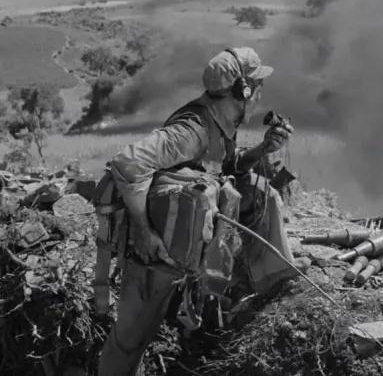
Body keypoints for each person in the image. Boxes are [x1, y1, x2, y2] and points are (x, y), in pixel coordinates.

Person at [98, 47, 296, 376]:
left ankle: (268, 284)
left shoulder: (222, 123)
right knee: (130, 341)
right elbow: (127, 163)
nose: (261, 93)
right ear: (243, 90)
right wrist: (145, 232)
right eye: (257, 85)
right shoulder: (192, 130)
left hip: (184, 245)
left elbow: (224, 168)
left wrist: (263, 149)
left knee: (261, 191)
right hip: (153, 252)